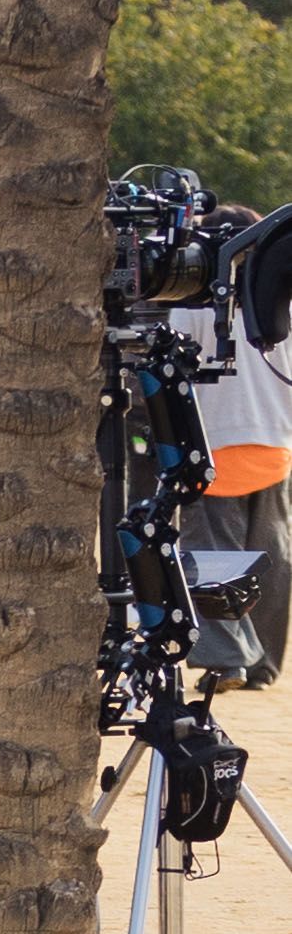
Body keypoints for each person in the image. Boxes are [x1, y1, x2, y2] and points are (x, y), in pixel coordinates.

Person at [182, 204, 292, 689]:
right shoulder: (283, 304)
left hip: (215, 448)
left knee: (215, 557)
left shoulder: (191, 306)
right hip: (275, 447)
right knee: (271, 558)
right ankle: (263, 665)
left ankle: (227, 658)